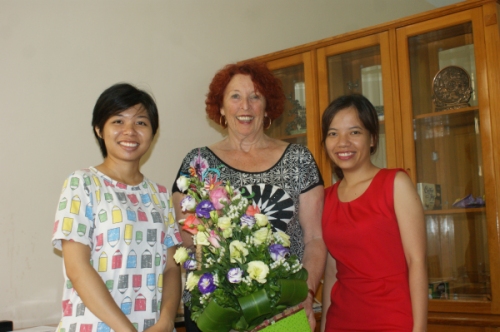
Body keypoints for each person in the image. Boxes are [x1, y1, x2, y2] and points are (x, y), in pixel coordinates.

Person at [172, 61, 326, 332]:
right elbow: (188, 242)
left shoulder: (299, 160)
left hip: (285, 309)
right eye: (235, 96)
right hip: (215, 312)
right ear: (220, 107)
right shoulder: (198, 163)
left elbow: (315, 237)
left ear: (267, 106)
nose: (245, 106)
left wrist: (306, 294)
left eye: (255, 96)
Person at [52, 83, 182, 332]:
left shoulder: (160, 194)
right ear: (99, 129)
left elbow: (171, 267)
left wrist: (166, 322)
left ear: (153, 132)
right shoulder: (82, 183)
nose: (130, 131)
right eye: (118, 121)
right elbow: (77, 267)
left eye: (141, 122)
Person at [320, 94, 428, 332]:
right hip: (342, 320)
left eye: (355, 132)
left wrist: (420, 328)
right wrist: (326, 325)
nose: (343, 142)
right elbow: (331, 271)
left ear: (372, 138)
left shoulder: (395, 183)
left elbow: (417, 262)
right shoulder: (325, 199)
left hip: (392, 319)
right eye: (333, 133)